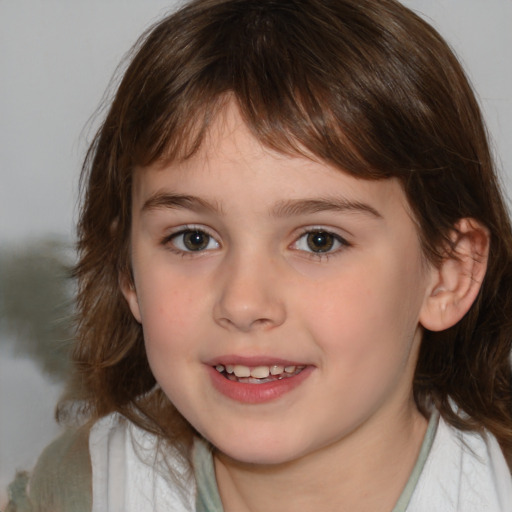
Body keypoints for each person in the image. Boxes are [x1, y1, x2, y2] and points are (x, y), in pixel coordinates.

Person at [7, 0, 512, 510]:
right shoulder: (77, 492)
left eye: (320, 240)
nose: (244, 303)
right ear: (128, 271)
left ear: (449, 274)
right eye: (194, 239)